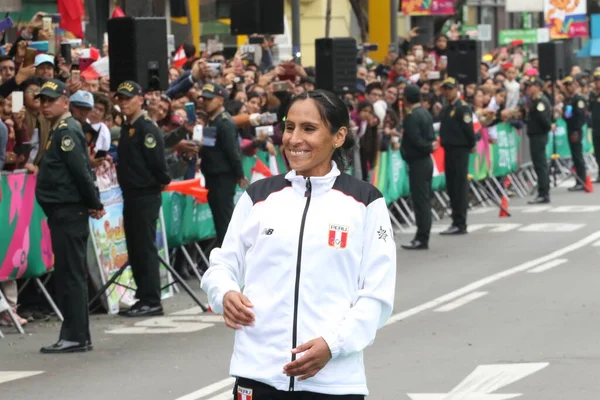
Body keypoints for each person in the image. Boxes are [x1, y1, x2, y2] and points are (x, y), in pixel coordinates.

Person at [201, 90, 396, 399]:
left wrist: (334, 345)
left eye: (309, 128)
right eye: (289, 127)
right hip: (258, 374)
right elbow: (222, 264)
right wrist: (224, 291)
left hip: (333, 382)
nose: (293, 139)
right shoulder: (258, 196)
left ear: (338, 136)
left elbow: (378, 295)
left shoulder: (365, 202)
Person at [34, 79, 105, 353]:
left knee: (71, 274)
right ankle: (78, 334)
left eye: (51, 100)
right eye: (42, 100)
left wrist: (93, 202)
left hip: (68, 210)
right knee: (69, 272)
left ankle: (75, 335)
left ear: (66, 101)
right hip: (64, 210)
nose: (45, 105)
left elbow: (80, 172)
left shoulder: (66, 130)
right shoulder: (61, 129)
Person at [115, 80, 172, 317]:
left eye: (128, 98)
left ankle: (151, 299)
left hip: (145, 194)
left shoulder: (146, 128)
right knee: (136, 248)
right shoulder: (129, 128)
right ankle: (143, 296)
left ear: (140, 99)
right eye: (121, 98)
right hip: (132, 194)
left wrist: (154, 183)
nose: (124, 102)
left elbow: (159, 166)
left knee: (145, 248)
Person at [200, 83, 247, 248]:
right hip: (212, 177)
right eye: (203, 99)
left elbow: (233, 152)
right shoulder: (211, 121)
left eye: (209, 99)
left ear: (220, 99)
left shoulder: (225, 122)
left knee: (224, 221)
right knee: (219, 220)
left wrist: (239, 174)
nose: (205, 102)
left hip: (222, 177)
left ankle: (230, 257)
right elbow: (207, 147)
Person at [400, 84, 436, 250]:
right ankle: (422, 235)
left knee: (420, 200)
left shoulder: (412, 116)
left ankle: (422, 237)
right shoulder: (426, 113)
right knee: (424, 199)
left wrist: (427, 147)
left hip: (418, 161)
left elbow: (415, 140)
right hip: (426, 161)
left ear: (406, 98)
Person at [439, 77, 474, 235]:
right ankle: (456, 220)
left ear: (456, 90)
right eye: (445, 89)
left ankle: (460, 222)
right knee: (452, 186)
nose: (447, 92)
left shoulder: (462, 108)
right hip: (449, 151)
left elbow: (468, 129)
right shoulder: (447, 108)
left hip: (460, 151)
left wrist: (471, 145)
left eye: (450, 89)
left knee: (459, 187)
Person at [524, 77, 552, 204]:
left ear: (538, 87)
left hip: (539, 135)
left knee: (540, 164)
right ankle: (543, 191)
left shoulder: (540, 101)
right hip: (535, 135)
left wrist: (548, 127)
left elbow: (543, 119)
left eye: (531, 86)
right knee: (539, 164)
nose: (529, 89)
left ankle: (543, 193)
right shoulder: (533, 101)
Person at [562, 76, 587, 191]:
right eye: (566, 85)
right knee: (575, 156)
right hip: (570, 128)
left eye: (570, 85)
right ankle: (579, 180)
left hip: (575, 130)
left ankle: (582, 180)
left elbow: (581, 116)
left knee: (578, 156)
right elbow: (566, 115)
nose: (568, 88)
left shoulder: (578, 99)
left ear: (575, 85)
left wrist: (576, 130)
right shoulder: (568, 100)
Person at [589, 71, 600, 182]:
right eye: (596, 81)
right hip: (596, 127)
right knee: (597, 152)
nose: (597, 83)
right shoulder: (592, 94)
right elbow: (590, 108)